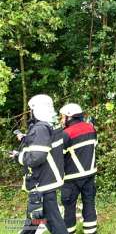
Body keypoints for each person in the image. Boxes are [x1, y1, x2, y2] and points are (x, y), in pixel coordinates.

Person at [10, 94, 68, 234]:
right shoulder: (51, 124)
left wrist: (19, 156)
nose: (30, 112)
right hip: (47, 179)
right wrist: (27, 138)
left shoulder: (40, 128)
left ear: (36, 110)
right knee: (35, 218)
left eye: (31, 109)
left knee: (51, 222)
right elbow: (43, 144)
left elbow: (36, 157)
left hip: (42, 182)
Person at [59, 103, 98, 234]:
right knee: (89, 204)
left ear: (69, 116)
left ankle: (69, 231)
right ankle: (91, 231)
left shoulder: (66, 134)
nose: (61, 119)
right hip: (89, 175)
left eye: (63, 117)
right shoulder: (91, 129)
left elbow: (59, 157)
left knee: (69, 208)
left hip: (71, 178)